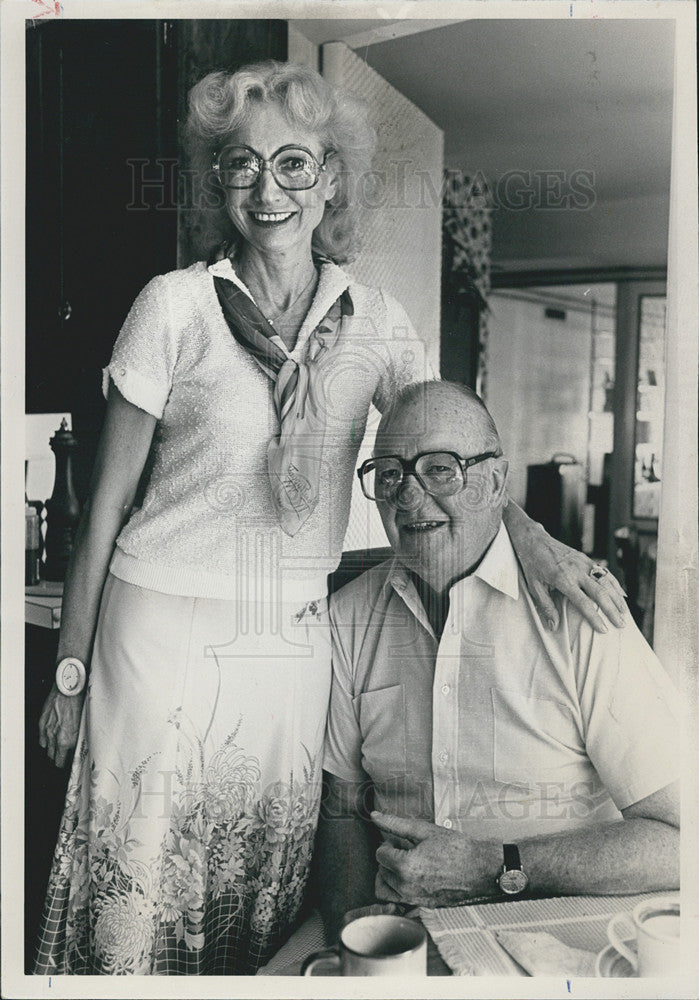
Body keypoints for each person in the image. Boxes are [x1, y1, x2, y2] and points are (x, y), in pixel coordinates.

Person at [33, 62, 626, 976]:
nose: (267, 189)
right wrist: (69, 677)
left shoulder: (375, 321)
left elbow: (447, 449)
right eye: (241, 165)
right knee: (143, 867)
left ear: (331, 177)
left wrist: (537, 543)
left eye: (294, 164)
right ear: (219, 180)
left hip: (291, 630)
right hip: (158, 627)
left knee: (259, 869)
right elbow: (104, 505)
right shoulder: (174, 306)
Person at [317, 380, 679, 938]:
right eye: (389, 474)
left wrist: (495, 866)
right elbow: (340, 809)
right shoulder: (347, 620)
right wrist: (357, 938)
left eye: (440, 469)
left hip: (559, 946)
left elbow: (681, 841)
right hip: (411, 943)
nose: (409, 496)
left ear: (495, 482)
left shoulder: (584, 616)